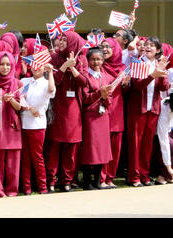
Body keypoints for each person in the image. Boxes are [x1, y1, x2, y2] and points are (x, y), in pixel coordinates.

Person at [46, 31, 88, 193]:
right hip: (57, 106)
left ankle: (67, 181)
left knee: (71, 146)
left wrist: (73, 67)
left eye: (65, 40)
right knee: (54, 145)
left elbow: (84, 82)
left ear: (73, 43)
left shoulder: (82, 59)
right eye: (60, 39)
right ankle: (51, 180)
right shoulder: (55, 58)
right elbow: (53, 82)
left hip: (73, 108)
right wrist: (64, 66)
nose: (61, 42)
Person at [126, 37, 169, 187]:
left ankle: (145, 175)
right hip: (138, 110)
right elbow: (137, 86)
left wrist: (161, 71)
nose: (148, 47)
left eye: (152, 45)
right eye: (147, 45)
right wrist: (152, 75)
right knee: (135, 143)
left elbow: (163, 88)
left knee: (147, 145)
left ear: (158, 50)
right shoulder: (138, 62)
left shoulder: (158, 64)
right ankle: (134, 176)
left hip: (153, 109)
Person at [0, 51, 23, 198]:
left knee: (13, 160)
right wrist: (0, 100)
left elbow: (20, 107)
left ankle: (12, 190)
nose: (5, 67)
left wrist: (11, 100)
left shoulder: (18, 83)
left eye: (8, 64)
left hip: (13, 125)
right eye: (2, 64)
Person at [99, 38, 131, 189]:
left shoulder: (123, 68)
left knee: (115, 146)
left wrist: (125, 84)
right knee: (103, 146)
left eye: (108, 47)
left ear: (115, 49)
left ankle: (110, 178)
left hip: (117, 110)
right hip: (103, 109)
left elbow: (126, 92)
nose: (104, 49)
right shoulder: (98, 65)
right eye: (102, 46)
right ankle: (101, 178)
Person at [80, 48, 113, 190]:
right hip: (90, 116)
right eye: (93, 59)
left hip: (103, 115)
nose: (96, 62)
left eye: (99, 59)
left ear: (103, 60)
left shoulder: (106, 77)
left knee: (102, 149)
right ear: (88, 60)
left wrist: (105, 97)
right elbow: (85, 98)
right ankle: (87, 181)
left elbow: (110, 99)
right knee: (90, 149)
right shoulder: (85, 76)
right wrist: (99, 93)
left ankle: (98, 181)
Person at [20, 63, 55, 195]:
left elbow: (51, 90)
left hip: (37, 125)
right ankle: (26, 188)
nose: (36, 68)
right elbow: (20, 97)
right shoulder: (25, 81)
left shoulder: (47, 82)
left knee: (37, 157)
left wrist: (50, 72)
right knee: (25, 157)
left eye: (39, 65)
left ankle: (42, 187)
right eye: (34, 65)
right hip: (24, 122)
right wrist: (29, 108)